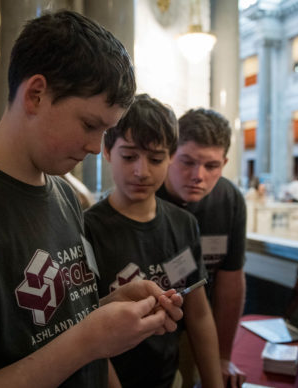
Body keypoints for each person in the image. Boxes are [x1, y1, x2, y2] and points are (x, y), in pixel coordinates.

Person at [0, 11, 183, 388]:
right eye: (89, 125)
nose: (97, 148)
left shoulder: (63, 193)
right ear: (36, 94)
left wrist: (110, 312)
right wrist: (87, 340)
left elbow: (46, 330)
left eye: (106, 131)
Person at [83, 94, 223, 388]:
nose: (141, 171)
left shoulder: (184, 224)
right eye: (130, 156)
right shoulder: (87, 228)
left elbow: (197, 314)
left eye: (156, 158)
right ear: (107, 151)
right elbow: (85, 330)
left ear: (170, 156)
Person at [156, 108, 247, 388]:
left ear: (225, 162)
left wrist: (222, 356)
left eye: (211, 166)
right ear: (171, 154)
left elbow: (230, 281)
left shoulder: (229, 199)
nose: (198, 176)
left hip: (201, 320)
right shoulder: (145, 192)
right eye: (187, 162)